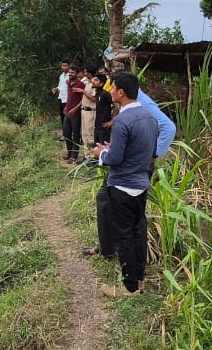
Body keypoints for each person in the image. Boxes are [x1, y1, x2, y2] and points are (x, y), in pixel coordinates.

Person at [88, 72, 158, 298]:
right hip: (141, 185)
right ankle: (139, 279)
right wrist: (115, 147)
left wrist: (102, 152)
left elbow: (115, 159)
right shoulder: (149, 117)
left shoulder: (122, 120)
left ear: (121, 92)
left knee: (124, 236)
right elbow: (150, 151)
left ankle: (129, 288)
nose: (109, 91)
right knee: (138, 231)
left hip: (122, 187)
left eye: (112, 87)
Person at [61, 66, 85, 162]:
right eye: (70, 72)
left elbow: (83, 99)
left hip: (76, 113)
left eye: (73, 72)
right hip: (68, 112)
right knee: (66, 133)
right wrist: (66, 107)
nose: (70, 74)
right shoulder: (69, 83)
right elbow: (70, 97)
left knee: (75, 134)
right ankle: (69, 152)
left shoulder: (80, 84)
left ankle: (74, 156)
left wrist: (75, 109)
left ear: (77, 73)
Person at [79, 68, 98, 157]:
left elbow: (94, 98)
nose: (84, 73)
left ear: (90, 73)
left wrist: (83, 92)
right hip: (84, 110)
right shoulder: (87, 83)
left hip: (90, 112)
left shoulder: (94, 84)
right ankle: (86, 155)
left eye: (86, 72)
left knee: (90, 134)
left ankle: (92, 156)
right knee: (84, 134)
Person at [92, 73, 113, 146]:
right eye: (93, 79)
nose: (93, 81)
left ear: (101, 83)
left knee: (104, 149)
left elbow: (117, 106)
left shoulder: (105, 94)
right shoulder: (98, 93)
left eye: (96, 80)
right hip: (97, 126)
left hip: (104, 127)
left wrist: (111, 121)